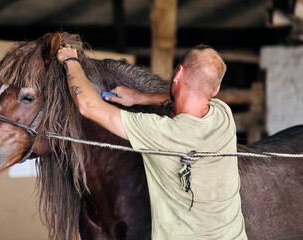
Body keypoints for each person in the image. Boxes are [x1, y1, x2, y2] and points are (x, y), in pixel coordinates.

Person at [57, 45, 247, 239]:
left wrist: (70, 61)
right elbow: (191, 98)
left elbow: (88, 106)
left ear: (178, 73)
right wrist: (139, 98)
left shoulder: (162, 132)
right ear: (215, 90)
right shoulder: (223, 115)